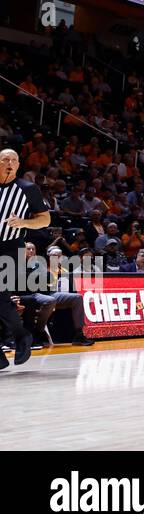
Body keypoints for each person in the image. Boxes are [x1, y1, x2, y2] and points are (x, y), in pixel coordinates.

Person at [0, 149, 51, 369]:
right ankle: (18, 340)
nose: (9, 163)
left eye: (13, 160)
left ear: (19, 165)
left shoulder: (28, 189)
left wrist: (23, 223)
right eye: (5, 160)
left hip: (10, 248)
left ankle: (21, 336)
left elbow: (45, 219)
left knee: (1, 298)